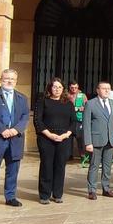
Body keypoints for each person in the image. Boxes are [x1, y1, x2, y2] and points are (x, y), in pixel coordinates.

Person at [0, 69, 30, 212]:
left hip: (15, 139)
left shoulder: (22, 97)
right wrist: (2, 130)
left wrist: (15, 130)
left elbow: (25, 116)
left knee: (13, 170)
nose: (9, 81)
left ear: (16, 81)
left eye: (12, 79)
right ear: (0, 79)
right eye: (6, 78)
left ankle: (10, 197)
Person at [33, 77, 76, 205]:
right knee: (46, 165)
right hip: (46, 138)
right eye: (54, 87)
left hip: (64, 139)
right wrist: (49, 134)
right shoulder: (43, 101)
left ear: (63, 89)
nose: (57, 89)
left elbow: (73, 121)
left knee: (60, 166)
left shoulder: (68, 103)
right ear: (50, 88)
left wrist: (65, 135)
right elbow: (37, 120)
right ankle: (44, 195)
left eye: (59, 87)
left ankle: (57, 194)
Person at [84, 81, 113, 199]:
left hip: (110, 140)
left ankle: (106, 188)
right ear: (97, 90)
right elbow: (86, 124)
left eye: (108, 89)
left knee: (107, 166)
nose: (106, 91)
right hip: (96, 140)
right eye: (104, 88)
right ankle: (92, 190)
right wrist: (88, 142)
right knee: (94, 165)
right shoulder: (90, 104)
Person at [67, 82, 88, 165]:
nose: (74, 89)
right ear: (69, 87)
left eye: (75, 87)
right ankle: (69, 155)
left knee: (80, 138)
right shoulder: (67, 95)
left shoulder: (82, 96)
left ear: (78, 87)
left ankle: (83, 156)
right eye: (72, 87)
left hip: (79, 119)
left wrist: (78, 108)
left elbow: (87, 106)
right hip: (69, 120)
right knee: (68, 138)